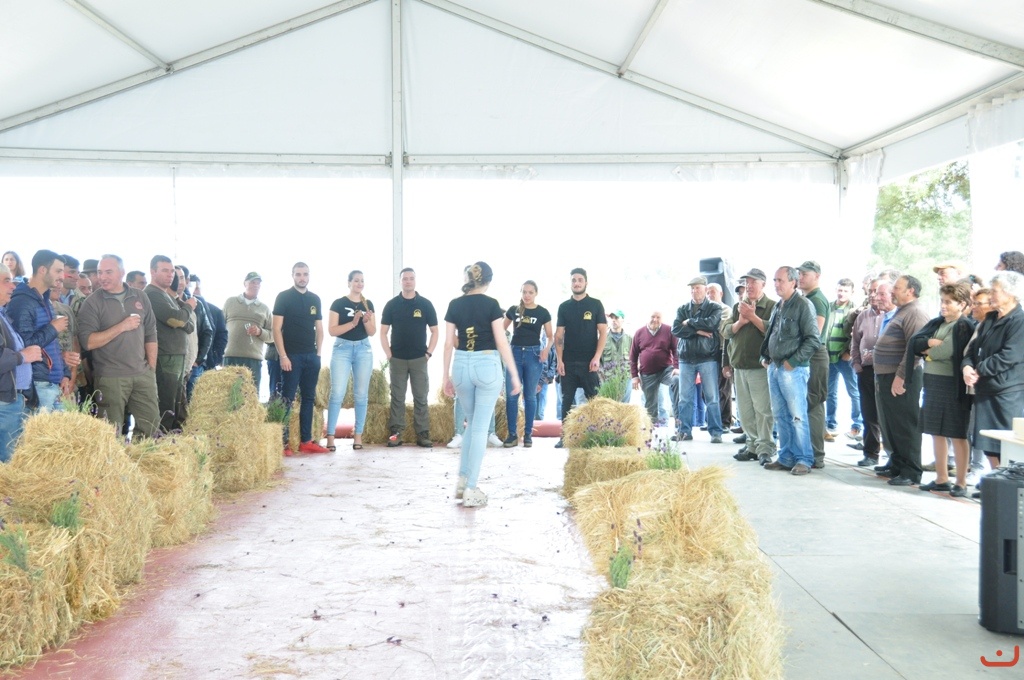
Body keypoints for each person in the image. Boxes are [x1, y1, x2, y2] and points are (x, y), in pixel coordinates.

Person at [442, 262, 521, 508]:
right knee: (479, 429)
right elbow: (501, 342)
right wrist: (514, 374)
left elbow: (449, 343)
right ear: (488, 280)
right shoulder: (491, 305)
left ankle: (462, 480)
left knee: (470, 425)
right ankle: (471, 488)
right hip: (486, 364)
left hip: (461, 365)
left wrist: (445, 376)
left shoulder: (454, 304)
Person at [76, 254, 160, 438]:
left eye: (108, 272)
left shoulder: (140, 296)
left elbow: (151, 334)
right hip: (110, 377)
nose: (102, 277)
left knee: (151, 429)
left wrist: (151, 370)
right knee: (110, 434)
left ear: (122, 272)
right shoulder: (92, 302)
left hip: (142, 374)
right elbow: (88, 342)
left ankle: (140, 457)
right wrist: (122, 327)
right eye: (100, 272)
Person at [909, 282, 975, 496]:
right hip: (932, 381)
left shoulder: (962, 325)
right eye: (942, 301)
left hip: (952, 384)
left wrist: (929, 350)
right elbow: (916, 343)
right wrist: (930, 343)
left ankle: (961, 482)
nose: (943, 305)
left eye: (949, 302)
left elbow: (944, 352)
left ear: (962, 304)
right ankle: (941, 478)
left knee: (956, 433)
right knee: (935, 431)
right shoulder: (938, 323)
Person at [760, 266, 820, 475]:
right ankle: (785, 457)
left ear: (793, 282)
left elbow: (813, 339)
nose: (776, 284)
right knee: (780, 415)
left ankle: (804, 459)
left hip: (793, 370)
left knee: (797, 416)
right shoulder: (778, 305)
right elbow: (771, 334)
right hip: (775, 367)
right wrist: (765, 356)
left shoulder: (803, 305)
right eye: (775, 280)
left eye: (781, 280)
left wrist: (793, 362)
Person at [962, 271, 1024, 473]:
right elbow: (972, 350)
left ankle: (1007, 480)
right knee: (987, 443)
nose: (990, 295)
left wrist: (978, 369)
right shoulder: (990, 318)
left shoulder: (1020, 321)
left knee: (1006, 445)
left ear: (1010, 293)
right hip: (985, 389)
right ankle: (996, 478)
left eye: (995, 291)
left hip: (1007, 393)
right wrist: (967, 367)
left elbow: (1009, 355)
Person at [874, 275, 930, 486]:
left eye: (897, 288)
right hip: (888, 375)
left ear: (910, 291)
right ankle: (897, 464)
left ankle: (911, 471)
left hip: (903, 376)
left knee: (905, 424)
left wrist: (901, 376)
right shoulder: (902, 310)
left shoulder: (915, 312)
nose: (892, 292)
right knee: (892, 423)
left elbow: (914, 349)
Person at [273, 262, 329, 455]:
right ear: (293, 276)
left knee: (309, 398)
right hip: (291, 357)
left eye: (305, 274)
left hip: (311, 356)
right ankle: (283, 444)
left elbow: (319, 329)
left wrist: (318, 354)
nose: (302, 278)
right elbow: (276, 329)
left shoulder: (315, 299)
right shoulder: (283, 297)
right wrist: (283, 356)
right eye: (298, 274)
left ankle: (306, 441)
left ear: (309, 276)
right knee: (287, 399)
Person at [723, 268, 777, 464]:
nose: (749, 286)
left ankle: (765, 447)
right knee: (745, 411)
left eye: (754, 282)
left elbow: (773, 331)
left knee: (762, 410)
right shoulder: (738, 306)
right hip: (739, 366)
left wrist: (753, 318)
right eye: (747, 282)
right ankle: (752, 445)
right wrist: (740, 322)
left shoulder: (772, 306)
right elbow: (725, 331)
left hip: (759, 366)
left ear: (763, 284)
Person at [380, 267, 438, 448]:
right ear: (400, 281)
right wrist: (389, 354)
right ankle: (396, 433)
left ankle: (423, 433)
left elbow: (435, 331)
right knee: (397, 397)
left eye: (411, 278)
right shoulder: (391, 305)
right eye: (405, 278)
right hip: (397, 359)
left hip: (419, 359)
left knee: (421, 397)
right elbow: (383, 332)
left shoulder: (425, 304)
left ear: (415, 281)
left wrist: (428, 353)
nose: (408, 281)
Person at [7, 249, 69, 412]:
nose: (62, 276)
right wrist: (53, 328)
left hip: (52, 382)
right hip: (37, 383)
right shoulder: (22, 301)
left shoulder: (44, 299)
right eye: (58, 271)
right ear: (42, 270)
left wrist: (64, 373)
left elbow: (52, 344)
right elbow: (24, 345)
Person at [555, 267, 607, 448]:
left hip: (589, 362)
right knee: (566, 401)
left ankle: (596, 436)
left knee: (593, 400)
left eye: (580, 280)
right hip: (568, 362)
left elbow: (603, 332)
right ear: (570, 283)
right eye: (573, 280)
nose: (576, 283)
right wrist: (559, 360)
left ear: (586, 282)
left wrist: (597, 357)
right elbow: (559, 335)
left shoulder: (595, 304)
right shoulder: (564, 307)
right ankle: (564, 437)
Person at [326, 270, 376, 452]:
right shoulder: (338, 303)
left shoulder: (368, 304)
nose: (359, 284)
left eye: (362, 281)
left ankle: (358, 436)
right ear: (349, 283)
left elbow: (372, 332)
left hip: (363, 348)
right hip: (342, 348)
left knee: (361, 394)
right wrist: (353, 323)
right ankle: (330, 436)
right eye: (356, 280)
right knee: (337, 393)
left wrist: (366, 321)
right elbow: (332, 330)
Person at [671, 275, 724, 443]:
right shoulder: (682, 309)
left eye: (698, 288)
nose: (694, 291)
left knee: (712, 397)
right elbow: (675, 329)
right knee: (684, 398)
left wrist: (690, 322)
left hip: (708, 357)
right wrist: (697, 331)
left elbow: (712, 324)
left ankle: (716, 432)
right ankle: (684, 431)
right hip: (686, 358)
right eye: (692, 288)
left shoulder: (714, 308)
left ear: (705, 289)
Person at [145, 256, 195, 431]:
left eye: (172, 271)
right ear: (153, 272)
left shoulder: (167, 296)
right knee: (166, 405)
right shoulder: (152, 294)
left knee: (177, 404)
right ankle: (161, 441)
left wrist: (182, 312)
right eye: (165, 270)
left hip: (176, 357)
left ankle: (171, 440)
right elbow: (176, 320)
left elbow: (188, 325)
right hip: (165, 356)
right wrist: (188, 307)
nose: (170, 275)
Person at [850, 279, 896, 467]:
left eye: (878, 292)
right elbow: (855, 342)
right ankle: (870, 453)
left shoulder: (895, 316)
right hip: (866, 371)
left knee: (888, 415)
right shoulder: (863, 316)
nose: (873, 295)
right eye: (871, 291)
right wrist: (856, 364)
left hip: (888, 372)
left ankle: (893, 457)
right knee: (869, 414)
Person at [502, 280, 552, 447]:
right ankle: (512, 434)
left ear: (536, 293)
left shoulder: (543, 312)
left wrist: (546, 349)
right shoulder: (514, 310)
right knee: (512, 396)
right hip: (515, 353)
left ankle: (528, 434)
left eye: (530, 292)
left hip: (533, 354)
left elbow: (550, 336)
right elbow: (501, 329)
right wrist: (504, 348)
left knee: (530, 396)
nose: (527, 295)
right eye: (524, 292)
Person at [0, 263, 40, 462]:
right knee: (8, 462)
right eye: (6, 281)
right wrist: (23, 356)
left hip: (10, 399)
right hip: (4, 401)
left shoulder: (2, 314)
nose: (13, 286)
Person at [796, 261, 830, 466]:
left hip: (814, 355)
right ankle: (806, 451)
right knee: (806, 404)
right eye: (799, 274)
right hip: (808, 356)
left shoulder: (816, 299)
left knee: (813, 404)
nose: (800, 277)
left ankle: (816, 455)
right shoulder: (806, 298)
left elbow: (814, 335)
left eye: (805, 274)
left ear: (817, 276)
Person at [223, 272, 273, 393]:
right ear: (245, 283)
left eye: (258, 283)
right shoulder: (230, 302)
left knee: (251, 396)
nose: (255, 285)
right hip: (230, 357)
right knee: (227, 395)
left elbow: (272, 336)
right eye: (252, 282)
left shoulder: (265, 309)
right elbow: (220, 328)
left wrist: (260, 332)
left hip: (253, 360)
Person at [826, 278, 862, 440]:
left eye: (845, 291)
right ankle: (830, 423)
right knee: (829, 392)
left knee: (854, 392)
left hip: (845, 357)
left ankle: (857, 425)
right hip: (828, 356)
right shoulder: (828, 307)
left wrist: (849, 351)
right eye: (840, 290)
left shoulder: (855, 310)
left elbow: (858, 334)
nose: (842, 293)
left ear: (852, 293)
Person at [629, 310, 678, 425]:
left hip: (666, 370)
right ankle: (651, 428)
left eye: (658, 317)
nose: (655, 320)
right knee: (650, 404)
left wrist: (676, 367)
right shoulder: (639, 333)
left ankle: (678, 422)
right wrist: (634, 376)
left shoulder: (669, 330)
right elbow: (633, 356)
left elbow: (676, 350)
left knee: (675, 382)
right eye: (653, 317)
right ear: (648, 317)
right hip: (647, 373)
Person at [600, 310, 632, 404]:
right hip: (607, 379)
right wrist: (601, 377)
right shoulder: (602, 338)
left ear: (623, 320)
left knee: (624, 407)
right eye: (611, 318)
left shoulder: (630, 339)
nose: (613, 320)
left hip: (625, 379)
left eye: (616, 318)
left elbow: (635, 358)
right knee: (608, 407)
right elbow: (598, 360)